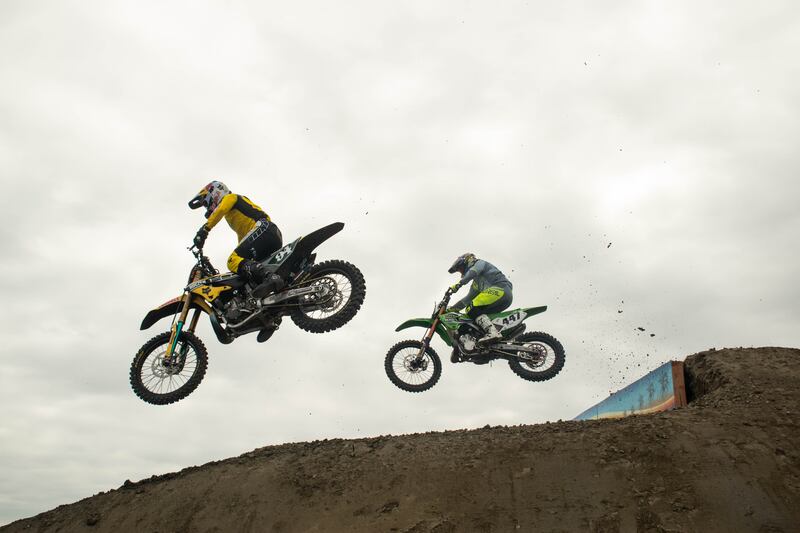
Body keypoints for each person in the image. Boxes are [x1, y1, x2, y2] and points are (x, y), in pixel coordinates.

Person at [188, 179, 284, 303]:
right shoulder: (233, 215)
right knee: (247, 271)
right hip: (268, 233)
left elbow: (220, 210)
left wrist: (204, 230)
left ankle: (270, 277)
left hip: (264, 228)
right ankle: (269, 300)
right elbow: (243, 241)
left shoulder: (231, 198)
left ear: (215, 193)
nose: (208, 208)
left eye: (207, 204)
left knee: (232, 260)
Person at [447, 252, 513, 344]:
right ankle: (489, 340)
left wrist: (459, 284)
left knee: (471, 307)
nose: (461, 272)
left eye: (461, 268)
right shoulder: (476, 283)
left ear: (467, 261)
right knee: (473, 315)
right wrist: (452, 309)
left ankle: (492, 332)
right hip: (501, 297)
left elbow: (473, 272)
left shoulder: (480, 263)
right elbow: (467, 299)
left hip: (501, 289)